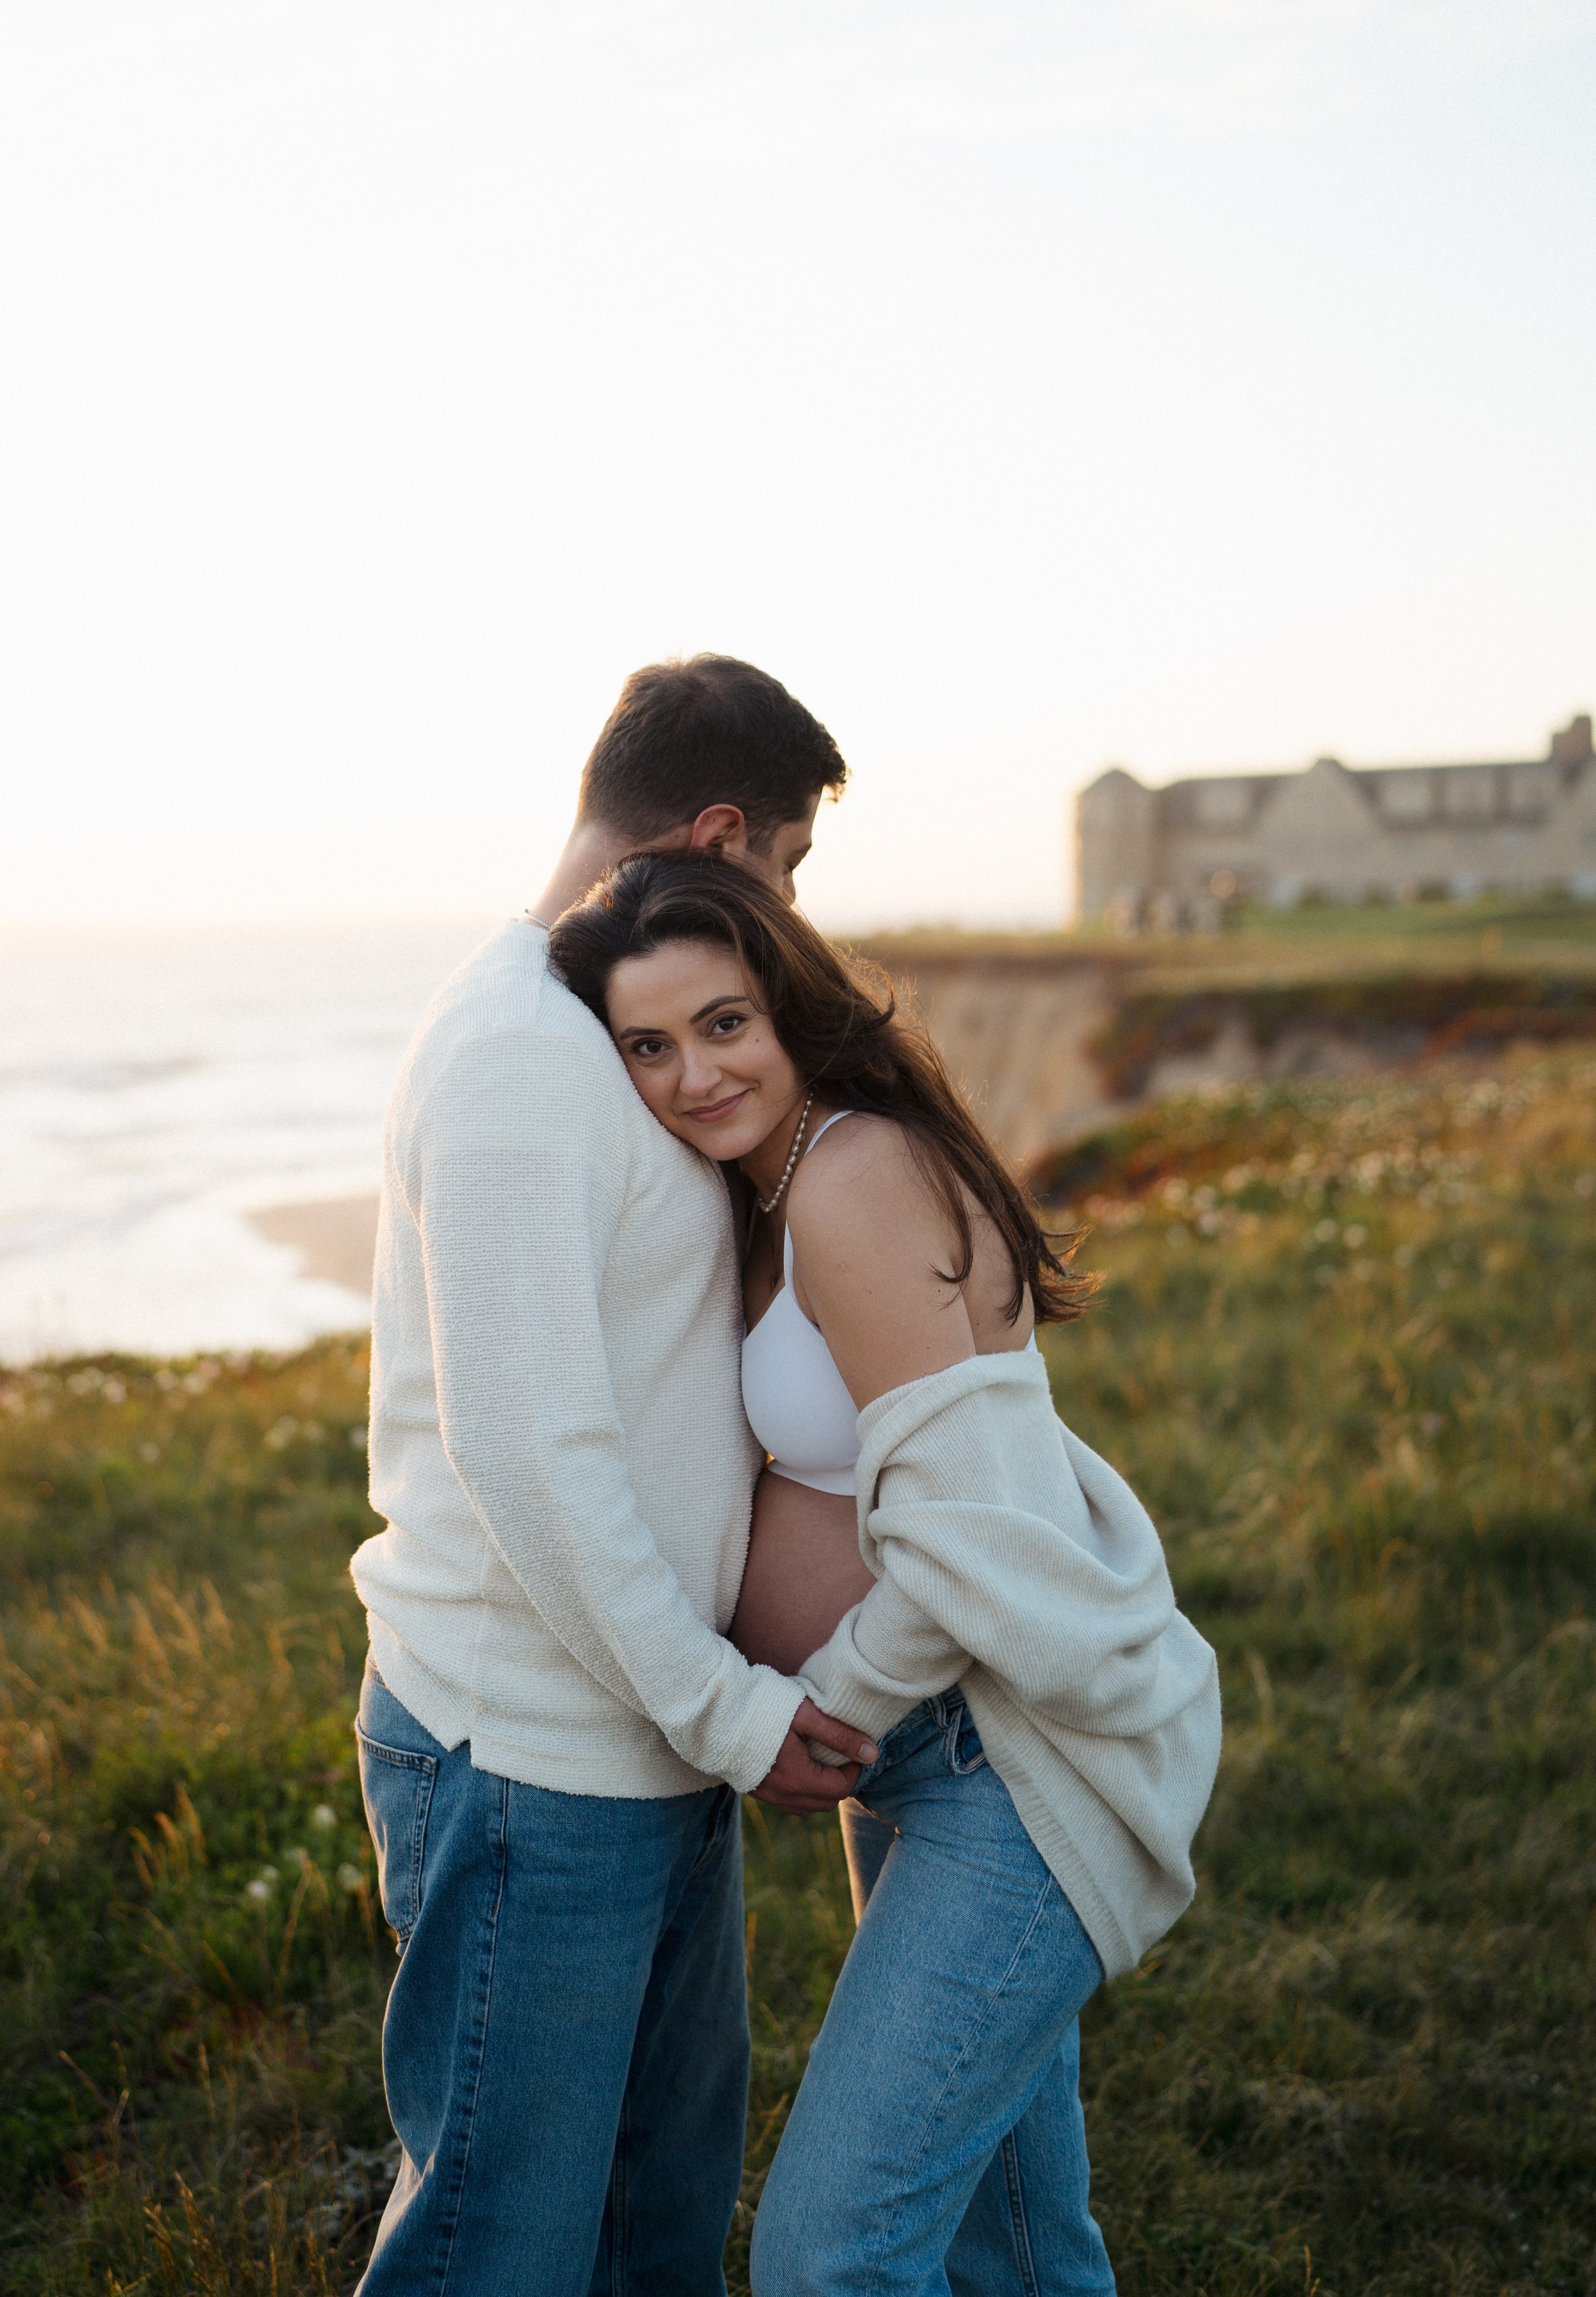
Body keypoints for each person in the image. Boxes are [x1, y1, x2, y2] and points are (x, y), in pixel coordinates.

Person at [550, 853, 1222, 2297]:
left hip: (1000, 1762)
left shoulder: (853, 1174)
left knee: (826, 2253)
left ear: (787, 1002)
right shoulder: (777, 1185)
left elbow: (962, 1539)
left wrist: (825, 1711)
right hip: (928, 1762)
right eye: (646, 1047)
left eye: (723, 1022)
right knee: (1018, 2246)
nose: (691, 1073)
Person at [349, 656, 881, 2297]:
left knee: (653, 2237)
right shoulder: (518, 1053)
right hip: (531, 1758)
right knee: (496, 2253)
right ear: (718, 834)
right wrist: (730, 1711)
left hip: (645, 1731)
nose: (784, 912)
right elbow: (531, 1454)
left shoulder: (605, 1029)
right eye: (785, 870)